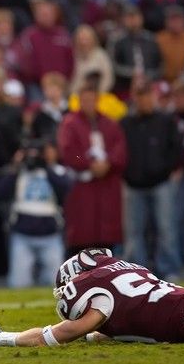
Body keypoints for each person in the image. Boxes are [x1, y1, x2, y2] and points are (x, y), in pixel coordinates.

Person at [0, 248, 184, 346]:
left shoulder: (98, 293)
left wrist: (2, 338)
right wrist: (89, 334)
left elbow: (50, 337)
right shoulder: (133, 269)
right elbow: (129, 325)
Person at [120, 81, 183, 279]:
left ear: (153, 97)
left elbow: (177, 149)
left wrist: (167, 169)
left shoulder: (165, 121)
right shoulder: (125, 123)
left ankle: (169, 269)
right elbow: (119, 151)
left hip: (161, 182)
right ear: (134, 98)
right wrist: (127, 173)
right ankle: (136, 273)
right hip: (133, 184)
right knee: (134, 232)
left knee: (166, 228)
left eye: (147, 95)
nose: (144, 100)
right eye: (140, 95)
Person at [57, 83, 127, 256]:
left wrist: (108, 163)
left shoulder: (109, 124)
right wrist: (90, 164)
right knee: (82, 232)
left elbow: (121, 149)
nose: (88, 103)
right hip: (82, 187)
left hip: (106, 186)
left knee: (105, 238)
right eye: (84, 100)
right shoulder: (70, 123)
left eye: (92, 99)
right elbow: (68, 151)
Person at [0, 139, 70, 288]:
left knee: (57, 285)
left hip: (50, 234)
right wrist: (16, 166)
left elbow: (65, 188)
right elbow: (0, 192)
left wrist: (45, 166)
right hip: (22, 235)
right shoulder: (19, 173)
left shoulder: (56, 171)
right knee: (19, 284)